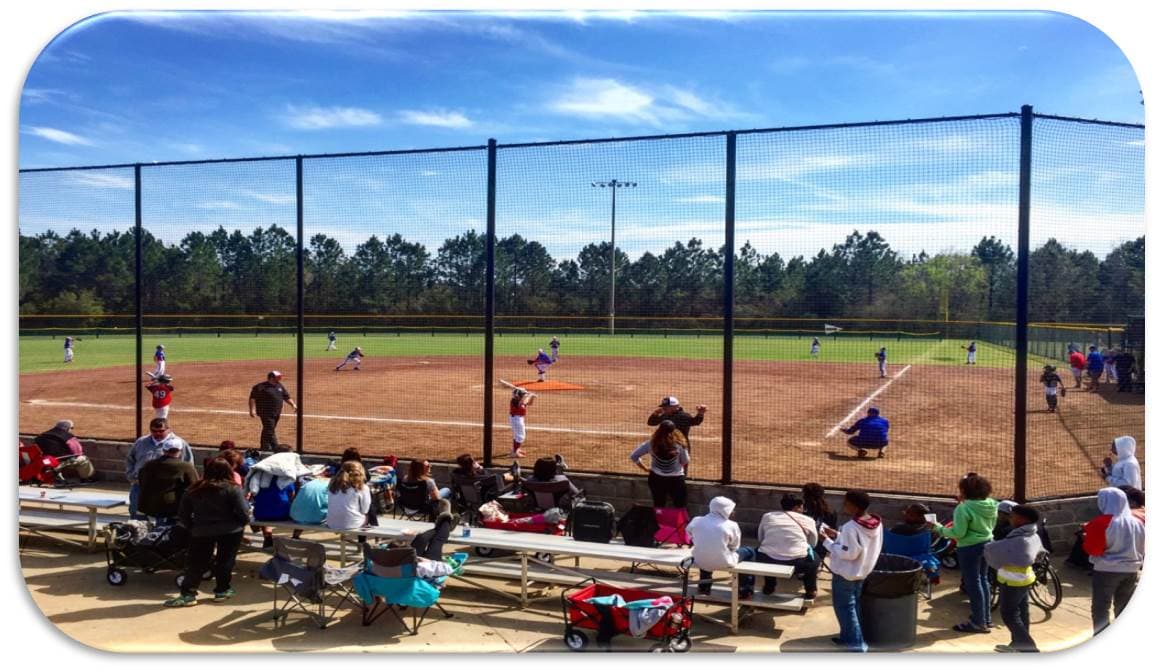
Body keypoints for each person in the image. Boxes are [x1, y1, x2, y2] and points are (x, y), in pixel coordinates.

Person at [163, 458, 251, 607]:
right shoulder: (232, 488)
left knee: (196, 563)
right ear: (228, 471)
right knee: (225, 561)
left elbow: (183, 515)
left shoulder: (193, 490)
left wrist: (193, 527)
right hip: (230, 530)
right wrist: (240, 524)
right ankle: (222, 590)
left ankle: (188, 594)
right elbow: (243, 512)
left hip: (201, 531)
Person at [931, 473, 998, 634]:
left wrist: (938, 528)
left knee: (973, 583)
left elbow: (958, 533)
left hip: (969, 548)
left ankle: (977, 622)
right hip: (987, 543)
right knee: (983, 581)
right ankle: (985, 619)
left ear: (965, 491)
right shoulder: (992, 504)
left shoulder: (963, 508)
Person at [822, 489, 883, 652]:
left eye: (846, 503)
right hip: (862, 571)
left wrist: (827, 541)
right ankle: (847, 637)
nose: (844, 506)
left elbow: (848, 553)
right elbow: (857, 544)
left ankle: (857, 646)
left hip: (845, 574)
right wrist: (837, 535)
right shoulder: (876, 523)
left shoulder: (851, 527)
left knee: (845, 609)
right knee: (853, 605)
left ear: (854, 506)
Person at [1084, 487, 1145, 635]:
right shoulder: (1137, 522)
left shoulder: (1100, 523)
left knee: (1101, 608)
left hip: (1106, 570)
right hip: (1132, 570)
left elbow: (1093, 550)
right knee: (1124, 607)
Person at [984, 504, 1044, 653]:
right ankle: (1017, 644)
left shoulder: (1018, 540)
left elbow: (995, 550)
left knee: (1009, 614)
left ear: (1022, 520)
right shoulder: (1033, 534)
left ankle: (1029, 648)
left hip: (1012, 580)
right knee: (1022, 612)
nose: (1009, 518)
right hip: (1025, 578)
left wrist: (988, 547)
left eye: (1012, 516)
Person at [686, 496, 757, 598]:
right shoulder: (732, 525)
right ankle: (745, 590)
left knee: (706, 552)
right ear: (725, 510)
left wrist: (702, 540)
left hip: (699, 559)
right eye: (731, 510)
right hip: (724, 562)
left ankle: (704, 587)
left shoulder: (696, 520)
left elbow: (689, 533)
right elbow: (735, 546)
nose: (733, 512)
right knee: (750, 551)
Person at [125, 418, 193, 520]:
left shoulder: (179, 444)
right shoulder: (141, 442)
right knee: (137, 516)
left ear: (168, 429)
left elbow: (188, 464)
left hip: (165, 490)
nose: (157, 434)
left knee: (162, 520)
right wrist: (131, 476)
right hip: (140, 486)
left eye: (161, 431)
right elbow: (130, 460)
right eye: (154, 431)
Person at [756, 493, 819, 601]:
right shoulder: (809, 520)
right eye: (802, 506)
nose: (803, 509)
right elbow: (813, 543)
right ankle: (811, 590)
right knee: (815, 559)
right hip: (798, 563)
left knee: (766, 551)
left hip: (767, 560)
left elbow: (761, 538)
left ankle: (769, 586)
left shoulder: (768, 516)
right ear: (797, 507)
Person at [630, 420, 691, 509]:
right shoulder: (680, 444)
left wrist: (645, 468)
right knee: (680, 506)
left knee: (659, 505)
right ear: (674, 431)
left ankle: (660, 522)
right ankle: (679, 523)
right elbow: (685, 461)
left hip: (656, 478)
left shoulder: (651, 443)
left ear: (659, 430)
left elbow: (634, 456)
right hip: (676, 479)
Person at [137, 443, 199, 525]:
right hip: (173, 508)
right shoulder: (185, 467)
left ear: (163, 450)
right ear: (180, 451)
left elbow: (142, 481)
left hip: (151, 506)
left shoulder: (149, 465)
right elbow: (195, 486)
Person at [248, 370, 297, 452]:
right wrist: (251, 410)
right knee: (270, 430)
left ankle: (264, 446)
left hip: (276, 412)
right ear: (271, 378)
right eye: (277, 377)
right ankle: (276, 448)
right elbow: (252, 398)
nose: (280, 378)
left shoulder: (279, 385)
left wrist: (293, 404)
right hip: (265, 412)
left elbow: (286, 397)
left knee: (267, 429)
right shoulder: (260, 387)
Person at [326, 461, 373, 534]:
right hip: (352, 524)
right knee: (367, 515)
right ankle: (361, 542)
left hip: (331, 523)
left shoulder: (332, 484)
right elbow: (365, 510)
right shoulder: (363, 487)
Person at [802, 482, 838, 561]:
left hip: (807, 547)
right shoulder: (830, 511)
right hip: (822, 548)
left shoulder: (803, 511)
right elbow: (832, 533)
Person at [508, 387, 534, 458]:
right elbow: (524, 401)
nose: (523, 396)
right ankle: (514, 452)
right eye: (522, 395)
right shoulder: (515, 401)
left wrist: (532, 397)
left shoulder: (519, 400)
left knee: (517, 435)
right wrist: (528, 395)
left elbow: (530, 403)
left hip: (518, 419)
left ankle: (515, 449)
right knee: (521, 436)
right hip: (516, 419)